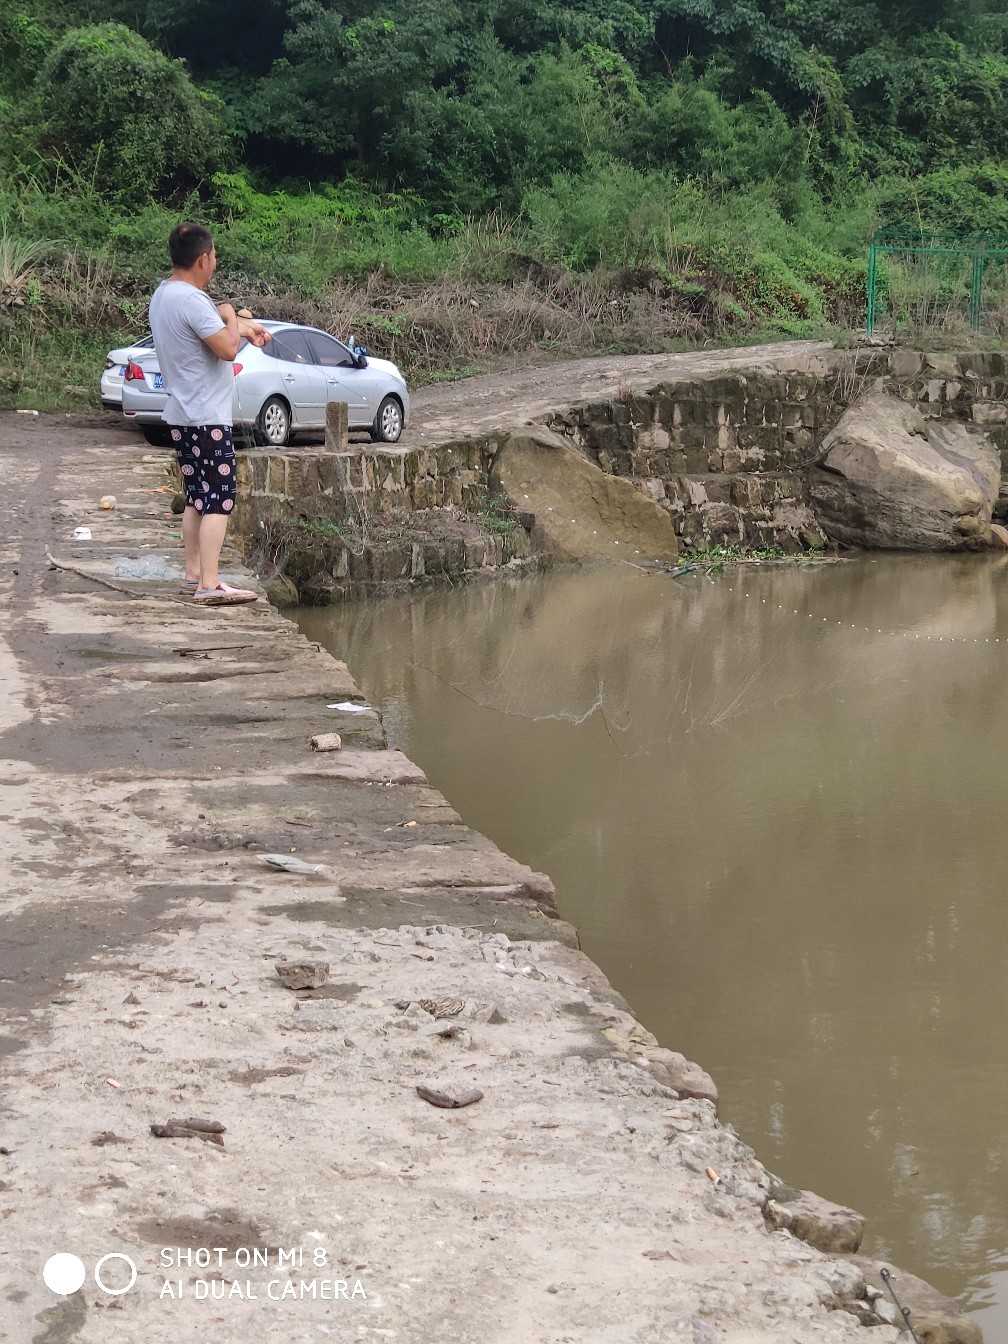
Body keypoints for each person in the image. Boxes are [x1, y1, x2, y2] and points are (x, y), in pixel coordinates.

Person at [148, 222, 272, 605]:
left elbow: (214, 332)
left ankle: (193, 575)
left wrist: (244, 327)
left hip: (183, 416)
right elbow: (227, 349)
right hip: (207, 418)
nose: (215, 262)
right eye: (214, 255)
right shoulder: (192, 300)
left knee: (196, 497)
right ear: (203, 259)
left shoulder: (163, 295)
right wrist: (233, 314)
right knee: (219, 498)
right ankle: (210, 583)